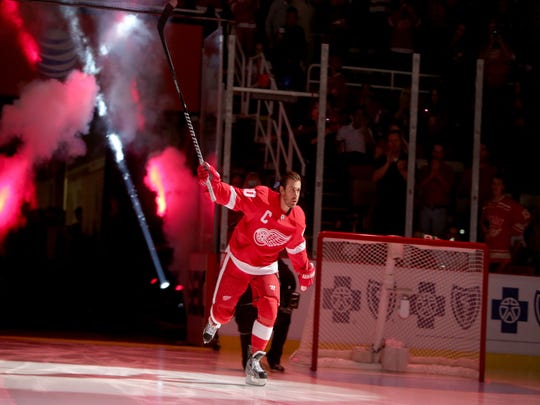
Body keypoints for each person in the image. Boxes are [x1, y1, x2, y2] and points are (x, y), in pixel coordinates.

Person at [197, 163, 315, 386]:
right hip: (238, 261)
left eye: (298, 190)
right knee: (224, 311)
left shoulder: (297, 218)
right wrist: (211, 184)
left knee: (271, 307)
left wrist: (305, 270)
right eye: (291, 189)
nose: (295, 195)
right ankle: (214, 321)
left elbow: (297, 247)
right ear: (281, 189)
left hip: (266, 267)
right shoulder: (261, 198)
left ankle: (256, 361)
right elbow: (232, 196)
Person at [235, 258, 299, 371]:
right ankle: (260, 360)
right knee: (251, 324)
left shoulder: (274, 262)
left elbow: (290, 282)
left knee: (283, 319)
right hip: (248, 308)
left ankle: (263, 359)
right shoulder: (267, 258)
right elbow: (290, 281)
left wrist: (284, 303)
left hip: (252, 308)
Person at [480, 174, 531, 272]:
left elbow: (527, 218)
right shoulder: (487, 204)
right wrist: (486, 232)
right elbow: (482, 223)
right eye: (493, 184)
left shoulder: (510, 204)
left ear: (503, 187)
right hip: (488, 253)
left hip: (503, 254)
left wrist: (514, 232)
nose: (495, 187)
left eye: (498, 184)